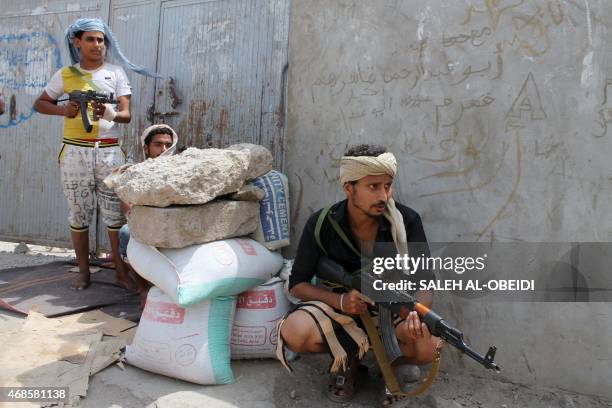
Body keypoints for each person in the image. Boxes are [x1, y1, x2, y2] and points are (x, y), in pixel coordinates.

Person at [277, 144, 441, 404]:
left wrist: (415, 314)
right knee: (295, 331)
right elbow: (297, 285)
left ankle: (393, 369)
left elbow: (425, 282)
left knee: (428, 346)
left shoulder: (407, 222)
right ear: (348, 188)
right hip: (341, 313)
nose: (383, 196)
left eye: (387, 186)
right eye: (372, 187)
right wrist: (340, 301)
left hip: (390, 311)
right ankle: (348, 362)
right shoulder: (323, 223)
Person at [33, 18, 158, 290]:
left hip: (109, 152)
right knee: (78, 214)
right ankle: (83, 272)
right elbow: (40, 103)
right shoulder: (65, 74)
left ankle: (120, 272)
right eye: (90, 39)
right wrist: (62, 110)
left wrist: (109, 112)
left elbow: (125, 114)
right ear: (77, 42)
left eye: (101, 40)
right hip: (75, 151)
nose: (97, 45)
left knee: (115, 215)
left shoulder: (115, 73)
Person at [117, 124, 178, 304]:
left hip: (173, 223)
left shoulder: (179, 170)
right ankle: (144, 289)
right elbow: (128, 209)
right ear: (146, 148)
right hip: (146, 223)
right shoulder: (133, 173)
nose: (163, 150)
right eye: (158, 145)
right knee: (126, 233)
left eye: (167, 145)